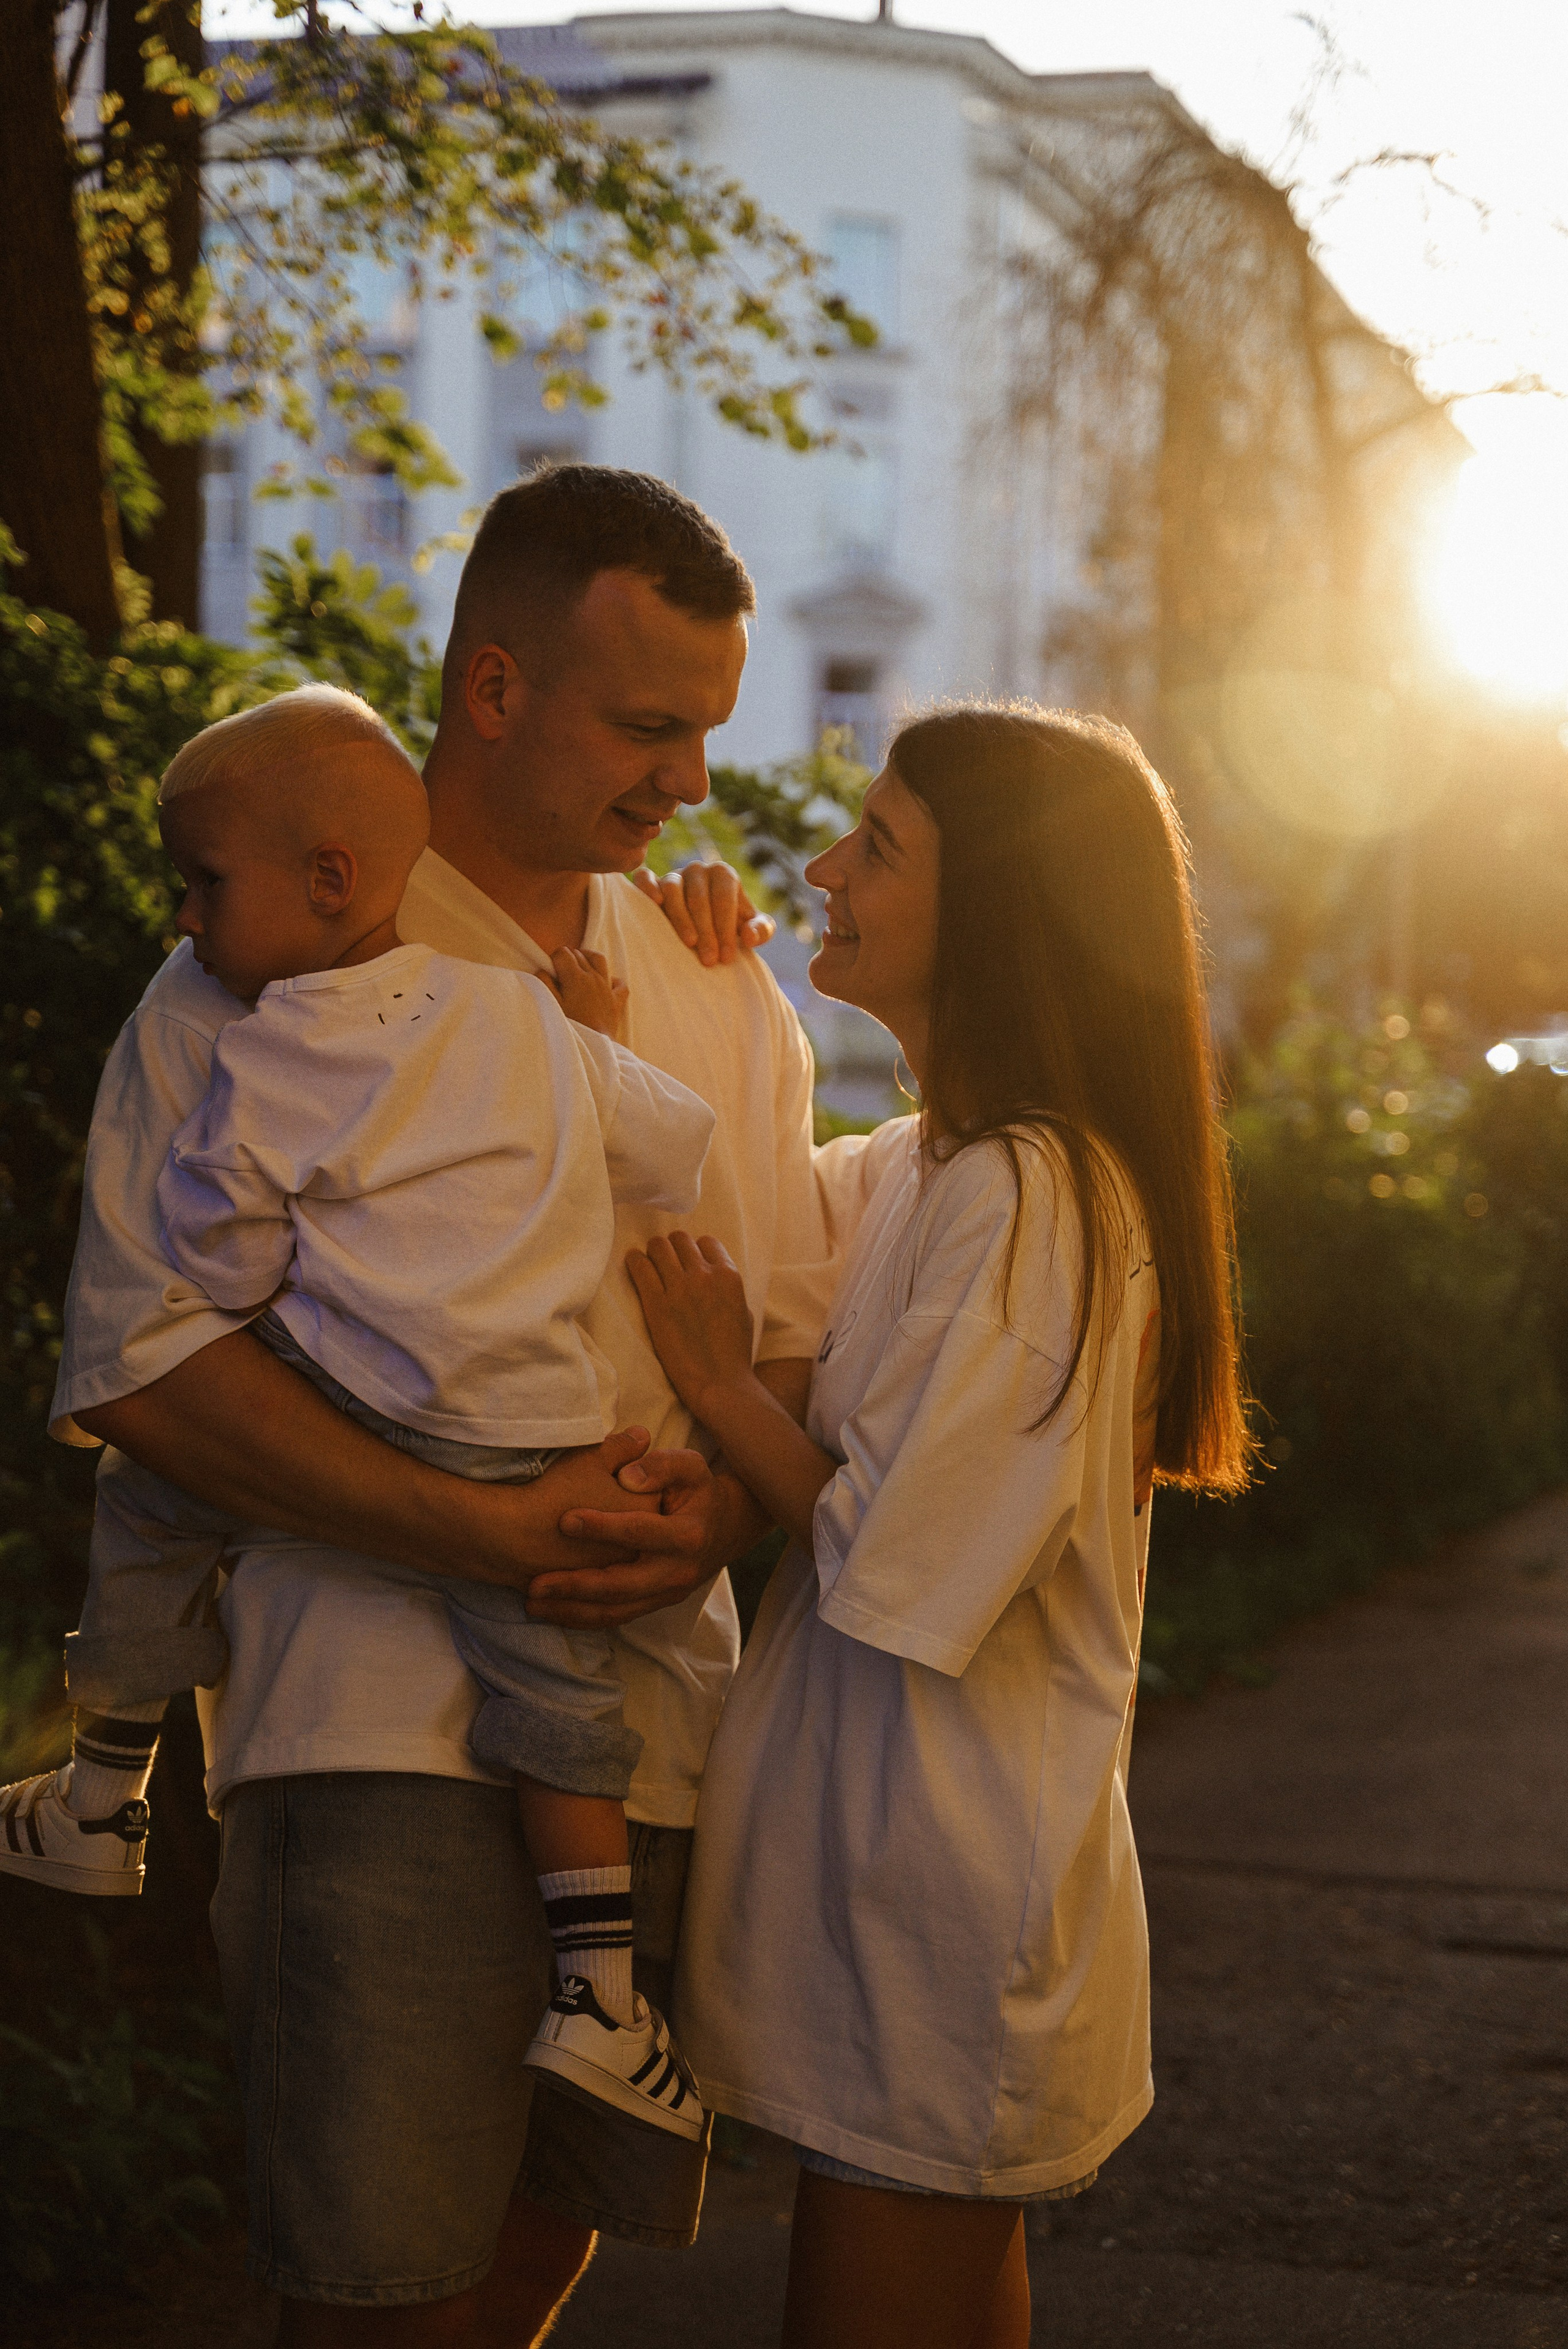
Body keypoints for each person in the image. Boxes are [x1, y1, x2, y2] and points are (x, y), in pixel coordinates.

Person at [21, 467, 835, 2345]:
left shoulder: (723, 990)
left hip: (653, 1726)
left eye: (707, 729)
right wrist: (476, 1528)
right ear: (490, 688)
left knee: (541, 2258)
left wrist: (715, 1511)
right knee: (378, 2295)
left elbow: (782, 1335)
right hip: (373, 1730)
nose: (689, 784)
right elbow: (142, 1360)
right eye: (648, 725)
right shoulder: (260, 965)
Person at [611, 707, 1252, 2349]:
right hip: (895, 1894)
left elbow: (892, 1556)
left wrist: (712, 1381)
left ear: (1002, 915)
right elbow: (738, 1204)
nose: (824, 865)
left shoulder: (1035, 1197)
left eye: (879, 846)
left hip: (939, 1912)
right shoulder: (923, 1164)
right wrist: (706, 985)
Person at [0, 680, 717, 2138]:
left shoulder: (257, 1051)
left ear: (325, 880)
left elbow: (210, 1268)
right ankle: (600, 2002)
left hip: (352, 1406)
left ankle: (98, 1792)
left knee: (147, 1500)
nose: (186, 921)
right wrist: (601, 1038)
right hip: (536, 1430)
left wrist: (267, 1264)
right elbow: (679, 1148)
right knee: (563, 1710)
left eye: (203, 883)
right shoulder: (522, 1023)